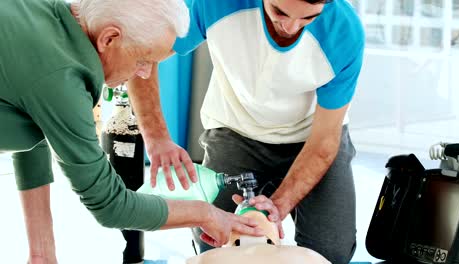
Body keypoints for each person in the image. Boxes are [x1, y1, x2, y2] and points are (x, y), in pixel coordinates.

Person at [0, 0, 278, 263]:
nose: (145, 73)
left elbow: (32, 125)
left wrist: (41, 254)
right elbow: (110, 205)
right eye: (144, 59)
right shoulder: (62, 83)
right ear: (108, 39)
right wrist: (206, 215)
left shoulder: (44, 17)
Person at [130, 0, 365, 263]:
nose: (290, 27)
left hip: (311, 139)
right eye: (280, 12)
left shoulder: (344, 32)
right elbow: (142, 53)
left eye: (307, 19)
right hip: (236, 130)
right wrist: (157, 138)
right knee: (217, 248)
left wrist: (277, 207)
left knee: (330, 253)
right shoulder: (212, 5)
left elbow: (324, 141)